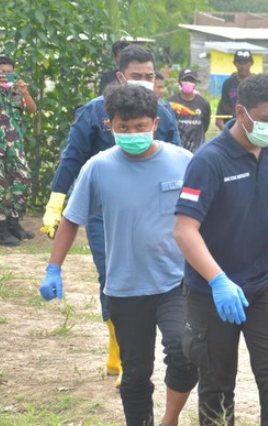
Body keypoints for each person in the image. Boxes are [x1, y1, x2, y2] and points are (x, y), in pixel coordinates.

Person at [39, 84, 198, 426]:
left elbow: (210, 213)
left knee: (185, 353)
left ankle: (169, 419)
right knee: (136, 372)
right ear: (109, 126)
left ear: (155, 123)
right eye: (123, 128)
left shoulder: (182, 161)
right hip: (125, 287)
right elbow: (71, 218)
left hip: (175, 281)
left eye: (140, 126)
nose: (132, 134)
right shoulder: (98, 167)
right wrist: (54, 268)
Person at [174, 73, 268, 426]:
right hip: (213, 292)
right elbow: (184, 230)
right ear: (240, 112)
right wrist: (219, 280)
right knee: (217, 384)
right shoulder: (209, 161)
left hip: (265, 281)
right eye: (267, 119)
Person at [0, 55, 37, 246]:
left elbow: (33, 110)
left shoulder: (16, 94)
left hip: (15, 147)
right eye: (2, 72)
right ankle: (0, 229)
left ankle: (13, 222)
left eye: (9, 72)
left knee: (22, 181)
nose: (5, 75)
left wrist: (25, 92)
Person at [168, 68, 211, 152]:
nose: (188, 82)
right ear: (179, 81)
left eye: (191, 80)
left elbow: (205, 126)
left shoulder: (204, 103)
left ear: (196, 83)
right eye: (185, 79)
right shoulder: (170, 103)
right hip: (176, 151)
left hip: (197, 152)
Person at [215, 49, 254, 131]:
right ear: (235, 64)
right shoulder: (228, 83)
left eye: (246, 63)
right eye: (239, 63)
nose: (242, 66)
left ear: (251, 63)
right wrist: (228, 133)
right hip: (233, 126)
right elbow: (223, 106)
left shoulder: (257, 82)